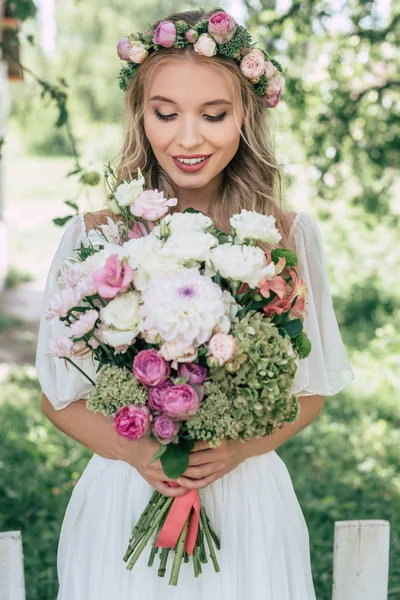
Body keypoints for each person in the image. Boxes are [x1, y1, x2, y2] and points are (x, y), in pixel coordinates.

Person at [36, 7, 354, 599]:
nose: (188, 138)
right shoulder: (97, 238)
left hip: (245, 497)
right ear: (140, 114)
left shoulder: (287, 237)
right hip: (130, 490)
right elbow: (59, 396)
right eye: (165, 113)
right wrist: (139, 456)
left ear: (246, 117)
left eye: (213, 114)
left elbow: (312, 389)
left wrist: (236, 449)